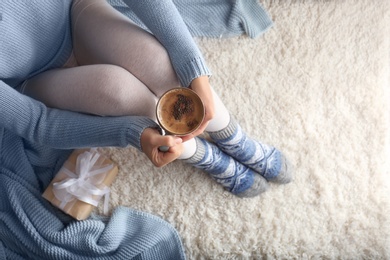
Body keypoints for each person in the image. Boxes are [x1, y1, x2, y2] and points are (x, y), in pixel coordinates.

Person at [0, 0, 291, 258]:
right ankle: (202, 155)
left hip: (76, 12)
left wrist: (195, 71)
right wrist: (133, 134)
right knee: (120, 92)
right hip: (37, 78)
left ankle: (234, 138)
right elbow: (38, 124)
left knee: (164, 69)